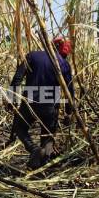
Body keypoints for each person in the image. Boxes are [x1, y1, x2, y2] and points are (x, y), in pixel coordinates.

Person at [6, 37, 74, 169]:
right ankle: (43, 166)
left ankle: (33, 150)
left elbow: (17, 78)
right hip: (50, 105)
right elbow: (69, 91)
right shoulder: (64, 64)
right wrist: (68, 112)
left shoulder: (33, 56)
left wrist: (12, 99)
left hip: (30, 101)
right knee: (48, 136)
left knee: (20, 128)